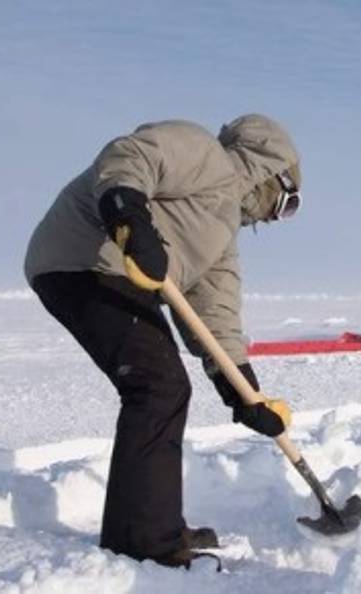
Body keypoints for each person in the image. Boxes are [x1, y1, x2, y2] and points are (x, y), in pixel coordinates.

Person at [23, 114, 301, 568]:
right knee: (159, 387)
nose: (275, 219)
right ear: (272, 174)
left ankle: (154, 524)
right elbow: (131, 156)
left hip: (112, 272)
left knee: (164, 388)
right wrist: (128, 215)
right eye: (286, 204)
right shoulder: (203, 154)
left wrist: (243, 392)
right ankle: (143, 543)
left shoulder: (220, 235)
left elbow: (216, 318)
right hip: (82, 259)